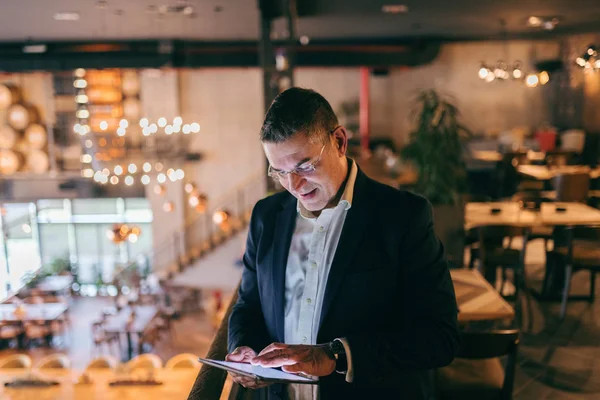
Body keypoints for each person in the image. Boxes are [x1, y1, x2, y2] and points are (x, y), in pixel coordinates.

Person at [226, 87, 460, 400]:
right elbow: (248, 305)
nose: (293, 186)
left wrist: (338, 356)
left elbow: (439, 337)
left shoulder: (403, 217)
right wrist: (244, 350)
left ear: (339, 142)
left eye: (304, 166)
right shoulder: (265, 217)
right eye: (279, 172)